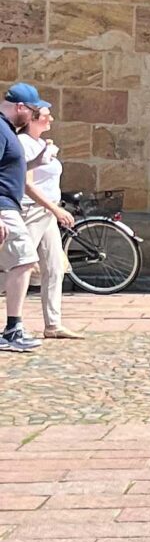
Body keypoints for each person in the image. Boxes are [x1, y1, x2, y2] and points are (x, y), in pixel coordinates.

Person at [20, 103, 74, 340]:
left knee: (53, 268)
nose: (51, 118)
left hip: (48, 213)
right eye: (45, 115)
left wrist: (54, 209)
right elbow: (26, 184)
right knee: (18, 268)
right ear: (31, 119)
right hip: (31, 211)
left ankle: (53, 324)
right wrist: (54, 208)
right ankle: (14, 322)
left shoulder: (43, 144)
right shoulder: (22, 144)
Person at [0, 86, 45, 355]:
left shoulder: (8, 130)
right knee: (25, 260)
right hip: (3, 207)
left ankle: (13, 328)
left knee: (22, 262)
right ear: (20, 107)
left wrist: (37, 161)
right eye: (33, 110)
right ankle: (12, 330)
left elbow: (9, 169)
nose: (33, 116)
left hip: (8, 207)